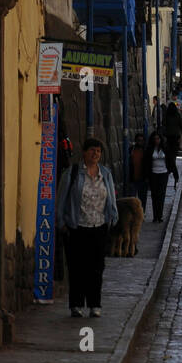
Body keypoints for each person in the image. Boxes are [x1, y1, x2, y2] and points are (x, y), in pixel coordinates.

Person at [55, 139, 119, 318]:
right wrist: (62, 223)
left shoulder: (105, 174)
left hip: (99, 226)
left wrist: (113, 217)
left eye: (98, 151)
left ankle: (94, 304)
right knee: (76, 267)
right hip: (77, 227)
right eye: (92, 150)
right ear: (84, 152)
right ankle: (76, 304)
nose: (96, 154)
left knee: (97, 267)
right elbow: (61, 199)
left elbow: (111, 196)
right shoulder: (72, 173)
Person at [144, 132, 171, 223]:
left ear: (161, 139)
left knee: (161, 194)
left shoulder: (165, 148)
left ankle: (160, 215)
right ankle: (155, 216)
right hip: (153, 174)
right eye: (155, 139)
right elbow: (146, 163)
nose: (156, 141)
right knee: (154, 195)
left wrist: (172, 173)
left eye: (158, 139)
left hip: (163, 173)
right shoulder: (150, 149)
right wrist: (147, 175)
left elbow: (170, 161)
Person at [161, 99, 182, 176]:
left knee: (169, 151)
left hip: (168, 136)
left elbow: (163, 124)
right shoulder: (177, 115)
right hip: (176, 136)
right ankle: (172, 164)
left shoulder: (166, 115)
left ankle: (170, 165)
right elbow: (181, 125)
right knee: (174, 152)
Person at [129, 133, 148, 217]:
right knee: (132, 198)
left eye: (141, 140)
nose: (140, 142)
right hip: (133, 177)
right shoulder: (131, 150)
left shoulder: (145, 151)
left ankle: (142, 213)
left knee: (142, 197)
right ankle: (133, 214)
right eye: (138, 140)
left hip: (142, 177)